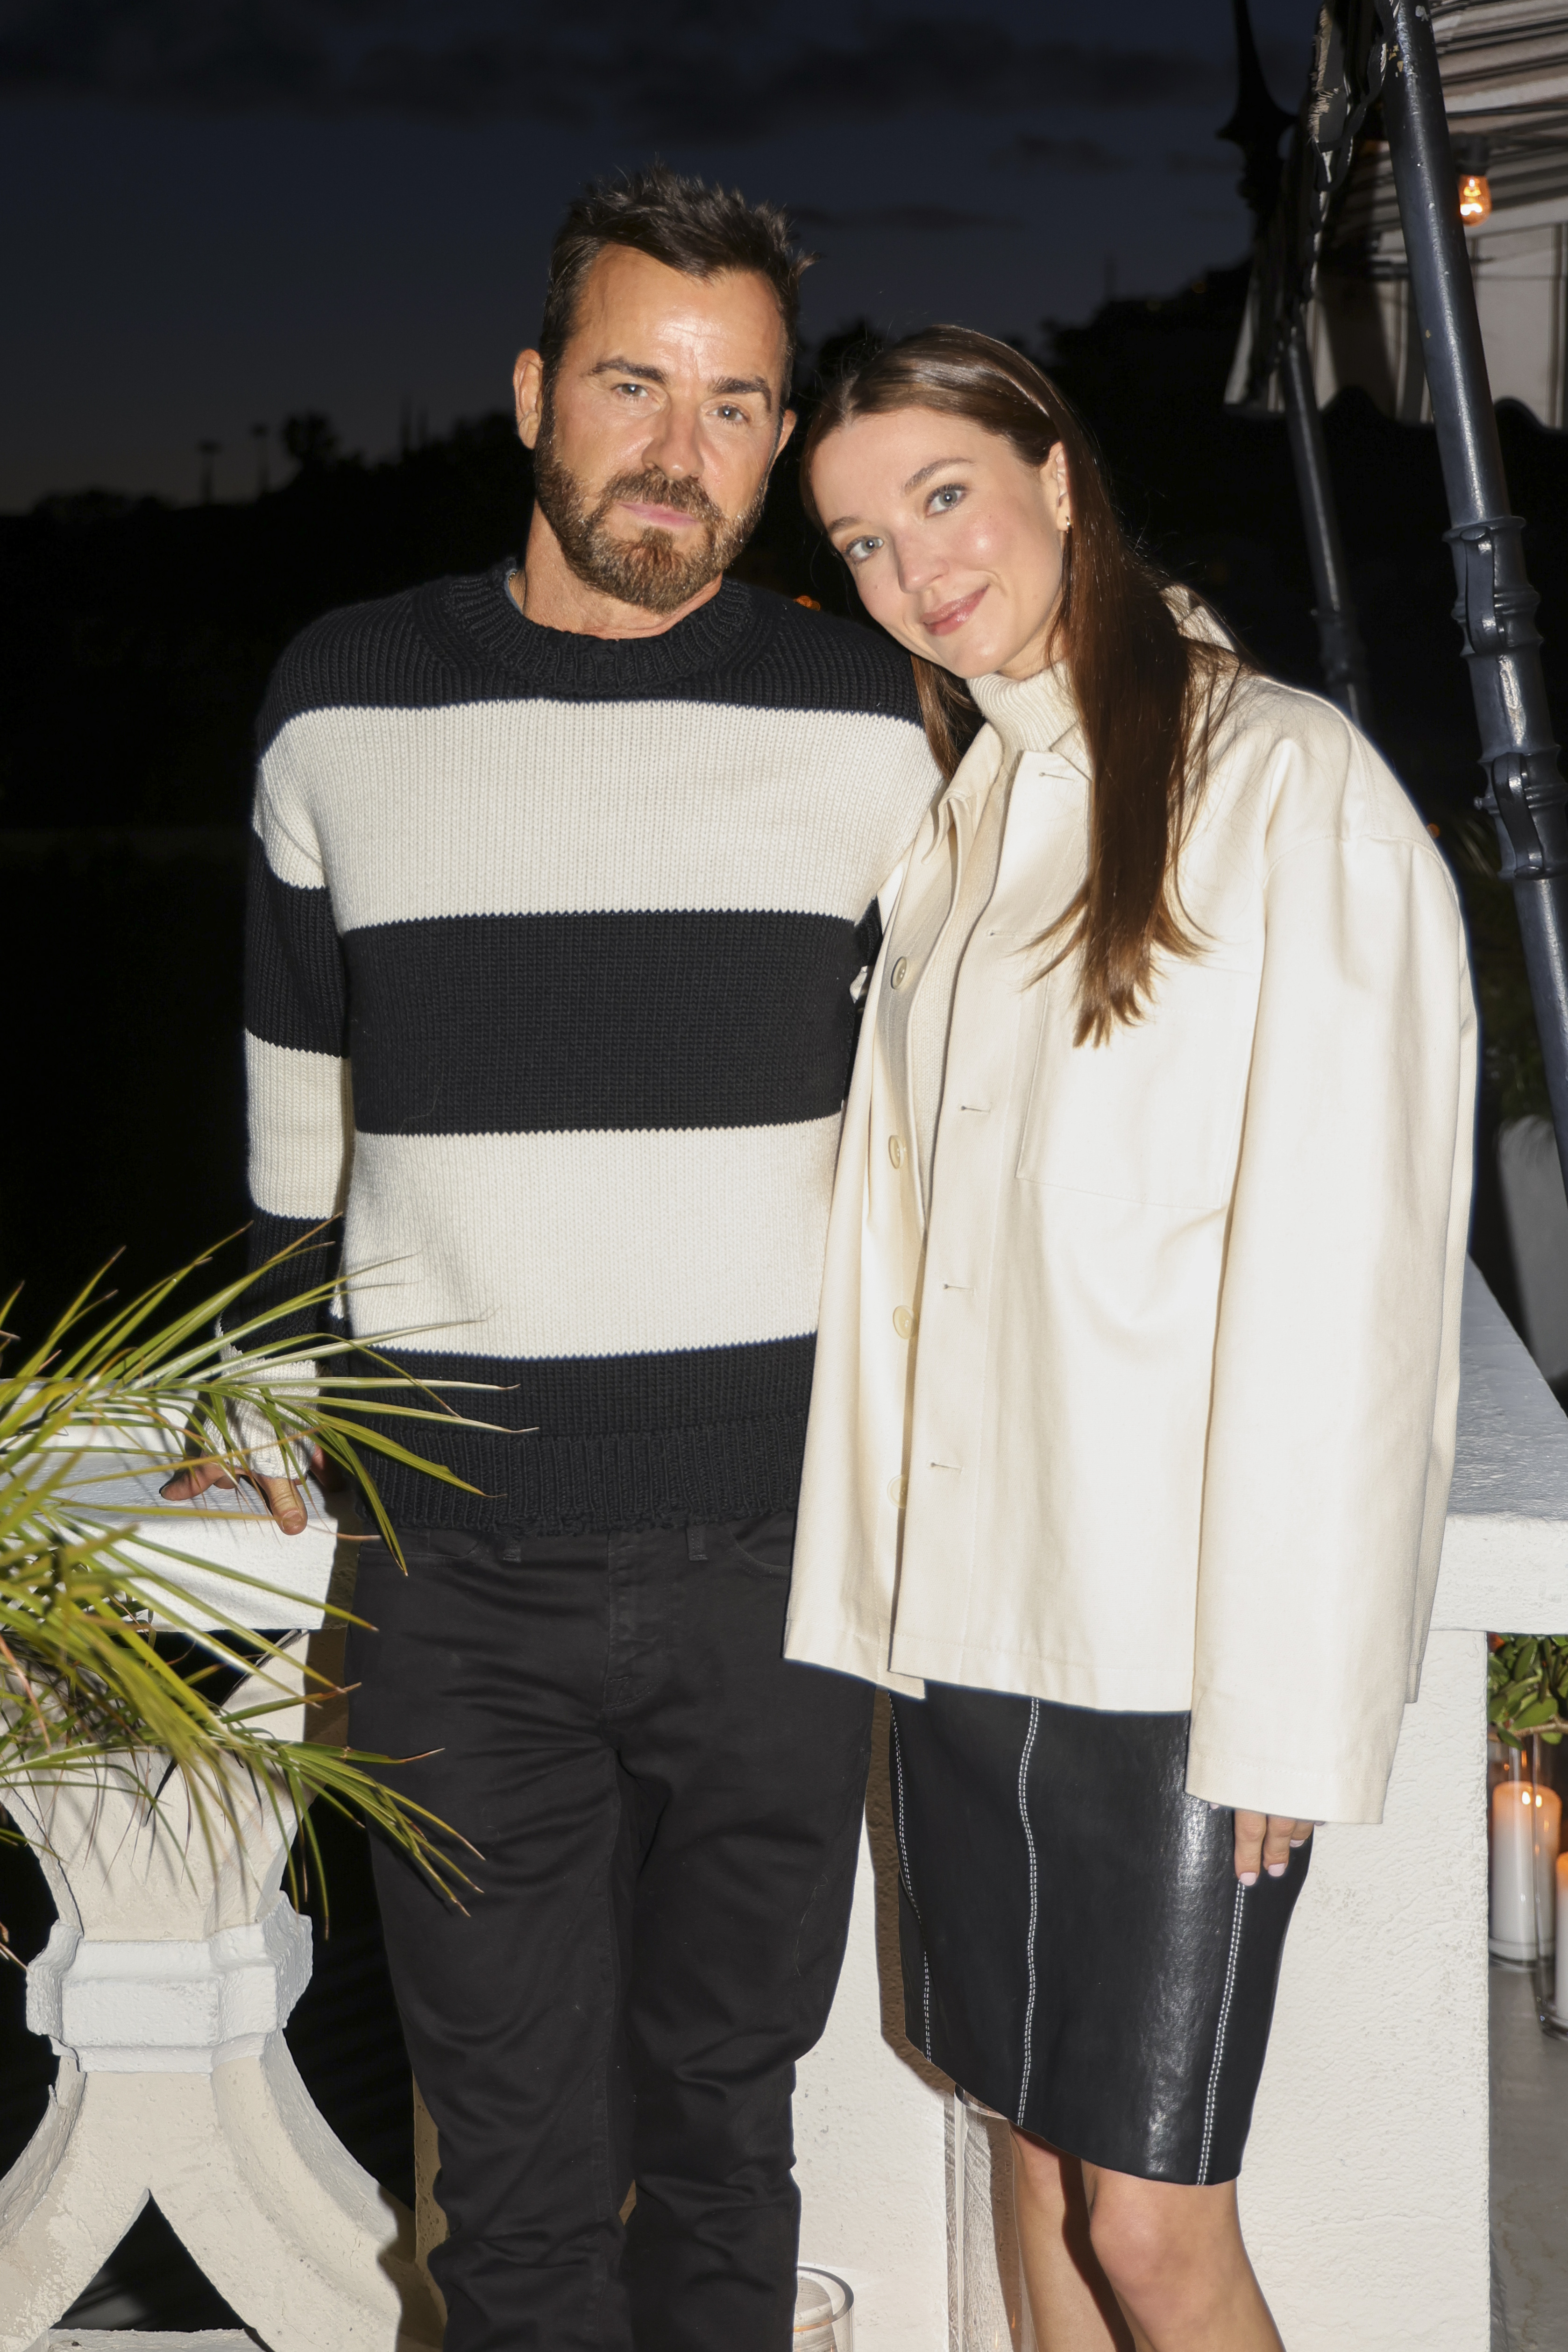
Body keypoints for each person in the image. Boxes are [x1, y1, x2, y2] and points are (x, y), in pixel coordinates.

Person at [163, 170, 940, 2352]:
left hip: (784, 1573)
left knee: (722, 2138)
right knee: (505, 2212)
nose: (675, 452)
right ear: (532, 396)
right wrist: (260, 1415)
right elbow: (289, 1132)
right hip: (453, 1583)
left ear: (781, 445)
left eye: (734, 403)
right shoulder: (340, 703)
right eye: (630, 383)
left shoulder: (874, 726)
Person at [783, 327, 1476, 2352]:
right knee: (1027, 2147)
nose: (917, 567)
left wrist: (1292, 1685)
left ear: (1055, 475)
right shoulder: (963, 828)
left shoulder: (1281, 781)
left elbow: (1356, 1279)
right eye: (859, 538)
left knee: (1158, 2225)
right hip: (969, 1628)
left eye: (940, 494)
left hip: (1175, 1644)